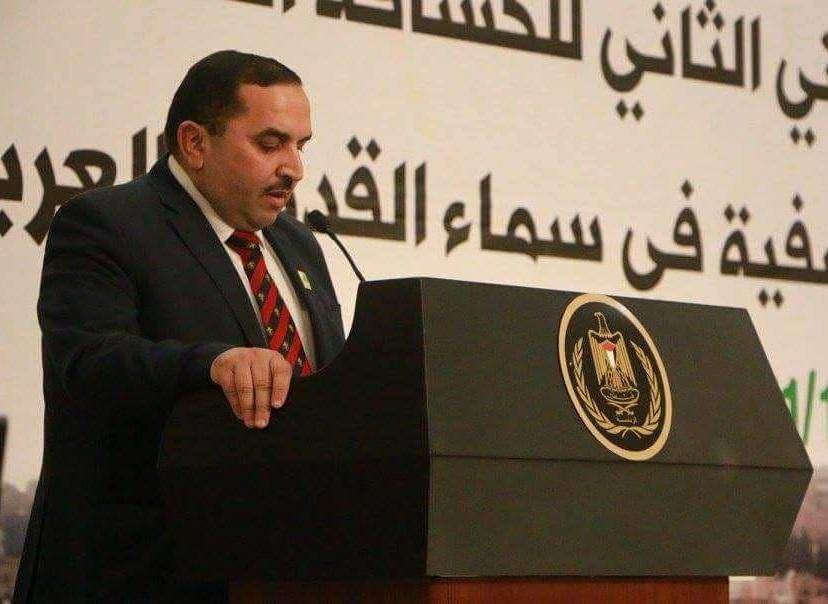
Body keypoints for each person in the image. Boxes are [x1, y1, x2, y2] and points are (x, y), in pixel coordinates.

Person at [14, 50, 346, 602]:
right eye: (270, 144)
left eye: (300, 146)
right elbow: (89, 362)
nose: (294, 168)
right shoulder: (106, 224)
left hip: (278, 567)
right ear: (194, 143)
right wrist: (213, 363)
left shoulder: (298, 242)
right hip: (139, 574)